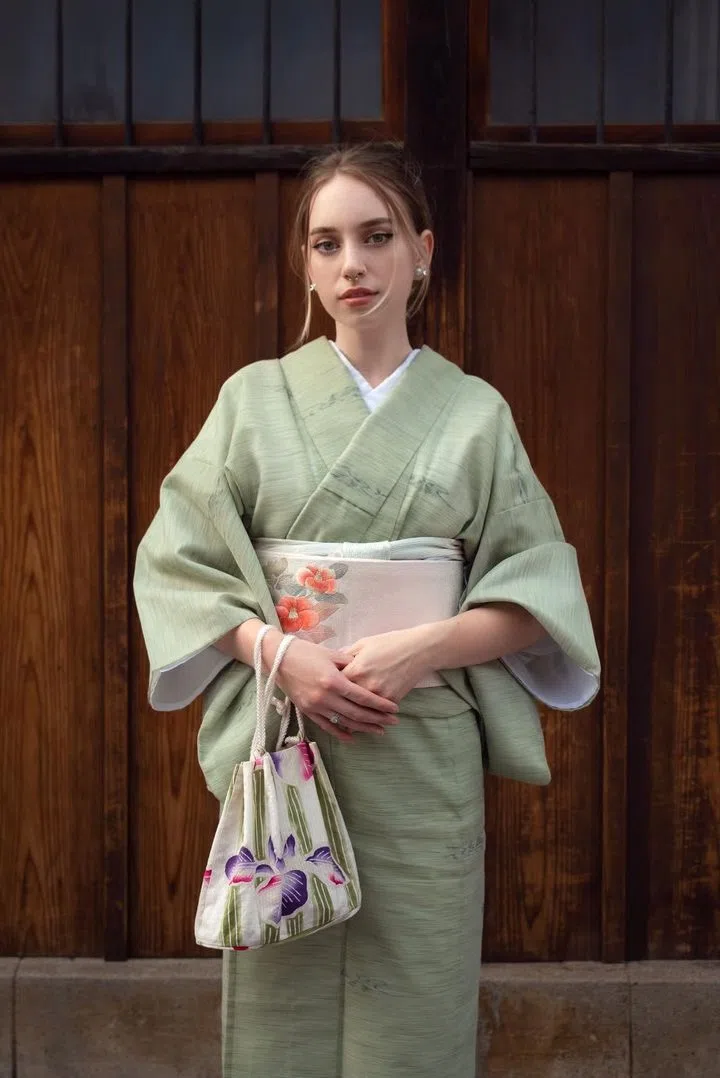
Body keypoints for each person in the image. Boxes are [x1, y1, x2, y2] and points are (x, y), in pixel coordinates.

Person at [133, 141, 600, 1078]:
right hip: (289, 734)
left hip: (420, 742)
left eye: (378, 237)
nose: (353, 264)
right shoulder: (252, 401)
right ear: (305, 264)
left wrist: (421, 649)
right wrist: (279, 655)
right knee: (285, 995)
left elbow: (539, 596)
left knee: (416, 999)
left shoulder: (475, 414)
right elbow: (176, 565)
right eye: (327, 243)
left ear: (422, 251)